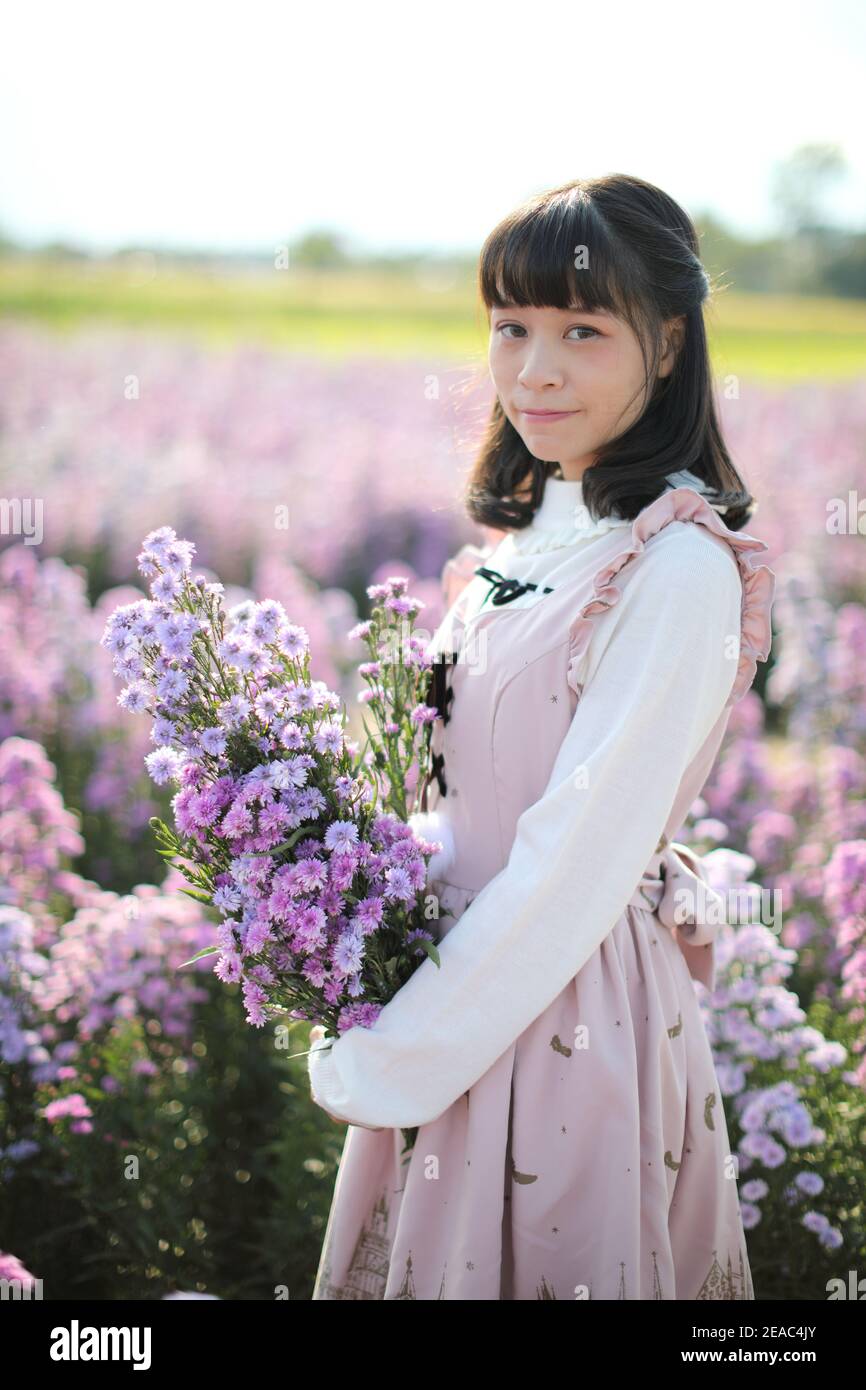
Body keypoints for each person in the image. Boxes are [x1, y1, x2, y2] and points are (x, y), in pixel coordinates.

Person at [306, 173, 776, 1300]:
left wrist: (394, 1053)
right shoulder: (526, 542)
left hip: (560, 1013)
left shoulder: (674, 567)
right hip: (459, 991)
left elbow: (573, 856)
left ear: (665, 346)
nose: (534, 368)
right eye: (509, 327)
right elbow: (476, 794)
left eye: (581, 329)